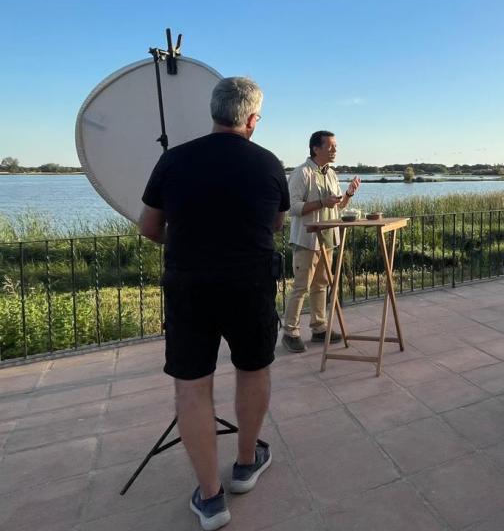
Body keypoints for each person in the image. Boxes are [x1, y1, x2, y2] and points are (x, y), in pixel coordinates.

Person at [139, 77, 288, 531]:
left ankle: (209, 498)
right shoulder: (269, 164)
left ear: (213, 111)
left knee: (192, 386)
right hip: (250, 285)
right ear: (251, 118)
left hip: (189, 287)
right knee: (253, 369)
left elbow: (148, 228)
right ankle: (245, 464)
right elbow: (277, 225)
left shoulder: (175, 159)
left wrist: (188, 240)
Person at [280, 131, 361, 353]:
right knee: (301, 287)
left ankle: (318, 328)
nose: (335, 150)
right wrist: (321, 202)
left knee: (321, 285)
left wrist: (348, 194)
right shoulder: (301, 173)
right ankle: (290, 332)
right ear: (316, 148)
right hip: (307, 241)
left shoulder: (332, 174)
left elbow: (338, 206)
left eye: (336, 146)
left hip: (328, 240)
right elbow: (292, 208)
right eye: (331, 146)